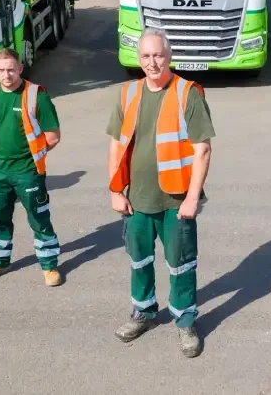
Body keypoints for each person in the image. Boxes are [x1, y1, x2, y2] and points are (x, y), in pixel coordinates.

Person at [106, 28, 215, 358]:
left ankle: (184, 320)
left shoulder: (187, 93)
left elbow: (203, 149)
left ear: (169, 57)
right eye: (145, 56)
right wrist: (115, 189)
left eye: (158, 55)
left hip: (176, 199)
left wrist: (193, 197)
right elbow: (115, 144)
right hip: (136, 198)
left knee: (181, 263)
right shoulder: (128, 93)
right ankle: (144, 312)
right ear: (138, 58)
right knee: (139, 260)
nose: (152, 62)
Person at [0, 47, 63, 286]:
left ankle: (49, 266)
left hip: (28, 173)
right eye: (1, 70)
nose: (6, 75)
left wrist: (31, 157)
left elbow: (53, 136)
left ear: (20, 69)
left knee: (39, 219)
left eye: (11, 69)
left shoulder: (37, 96)